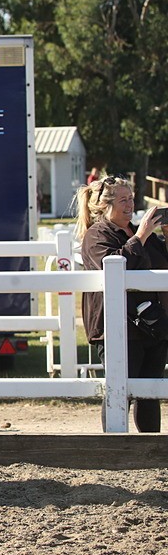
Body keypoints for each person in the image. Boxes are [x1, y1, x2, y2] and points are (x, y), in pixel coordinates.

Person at [77, 176, 168, 432]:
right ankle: (114, 445)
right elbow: (114, 264)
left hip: (154, 323)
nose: (130, 205)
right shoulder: (97, 235)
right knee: (120, 391)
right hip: (119, 326)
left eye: (131, 198)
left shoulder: (141, 232)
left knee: (150, 391)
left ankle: (149, 448)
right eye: (123, 200)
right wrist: (140, 236)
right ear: (106, 205)